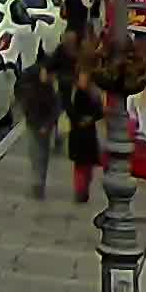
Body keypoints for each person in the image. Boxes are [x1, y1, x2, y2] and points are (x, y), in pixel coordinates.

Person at [17, 56, 65, 197]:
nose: (50, 78)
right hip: (33, 120)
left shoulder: (53, 87)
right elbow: (23, 98)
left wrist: (48, 124)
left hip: (46, 120)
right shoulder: (29, 79)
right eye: (49, 76)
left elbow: (57, 106)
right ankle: (37, 183)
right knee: (35, 151)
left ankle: (40, 182)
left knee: (43, 153)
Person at [64, 69, 107, 203]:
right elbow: (69, 109)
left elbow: (99, 111)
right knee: (80, 166)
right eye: (81, 77)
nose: (83, 80)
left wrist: (90, 119)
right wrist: (79, 120)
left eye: (85, 78)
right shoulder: (74, 92)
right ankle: (80, 191)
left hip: (88, 133)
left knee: (87, 166)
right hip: (78, 133)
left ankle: (84, 190)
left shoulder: (93, 93)